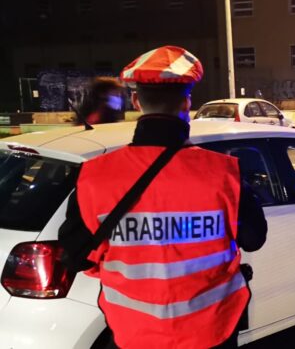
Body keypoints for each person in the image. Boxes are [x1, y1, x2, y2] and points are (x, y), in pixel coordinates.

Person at [59, 46, 267, 348]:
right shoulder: (224, 173)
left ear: (135, 101)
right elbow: (254, 238)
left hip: (133, 334)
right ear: (187, 102)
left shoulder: (94, 176)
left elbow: (75, 256)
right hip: (212, 331)